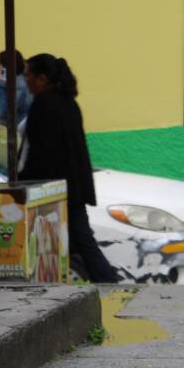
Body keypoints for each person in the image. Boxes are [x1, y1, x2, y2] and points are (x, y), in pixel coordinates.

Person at [20, 54, 119, 283]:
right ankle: (103, 281)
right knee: (78, 240)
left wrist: (24, 180)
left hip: (53, 188)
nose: (26, 81)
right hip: (73, 185)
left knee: (78, 240)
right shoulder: (68, 103)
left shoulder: (43, 105)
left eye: (28, 76)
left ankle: (109, 282)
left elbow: (41, 151)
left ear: (42, 79)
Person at [0, 50, 32, 124]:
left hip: (14, 129)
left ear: (5, 69)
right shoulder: (22, 81)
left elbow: (0, 115)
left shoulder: (18, 86)